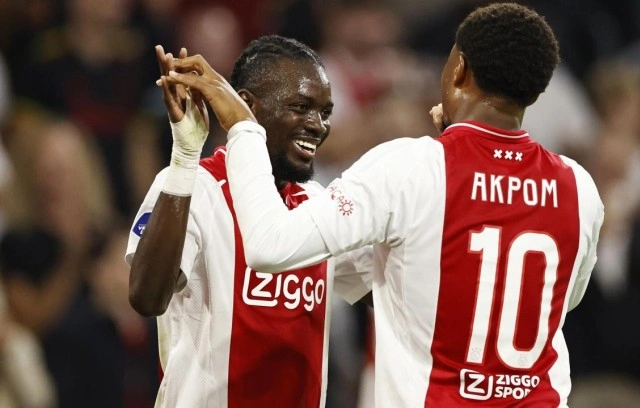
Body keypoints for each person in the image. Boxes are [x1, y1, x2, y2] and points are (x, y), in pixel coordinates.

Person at [167, 3, 604, 407]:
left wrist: (243, 126)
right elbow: (559, 299)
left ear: (459, 69)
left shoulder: (412, 168)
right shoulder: (578, 188)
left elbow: (269, 245)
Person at [127, 36, 372, 408]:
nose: (318, 126)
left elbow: (387, 292)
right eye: (301, 107)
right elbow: (146, 297)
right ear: (247, 106)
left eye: (325, 112)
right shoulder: (195, 185)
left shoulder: (316, 203)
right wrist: (185, 155)